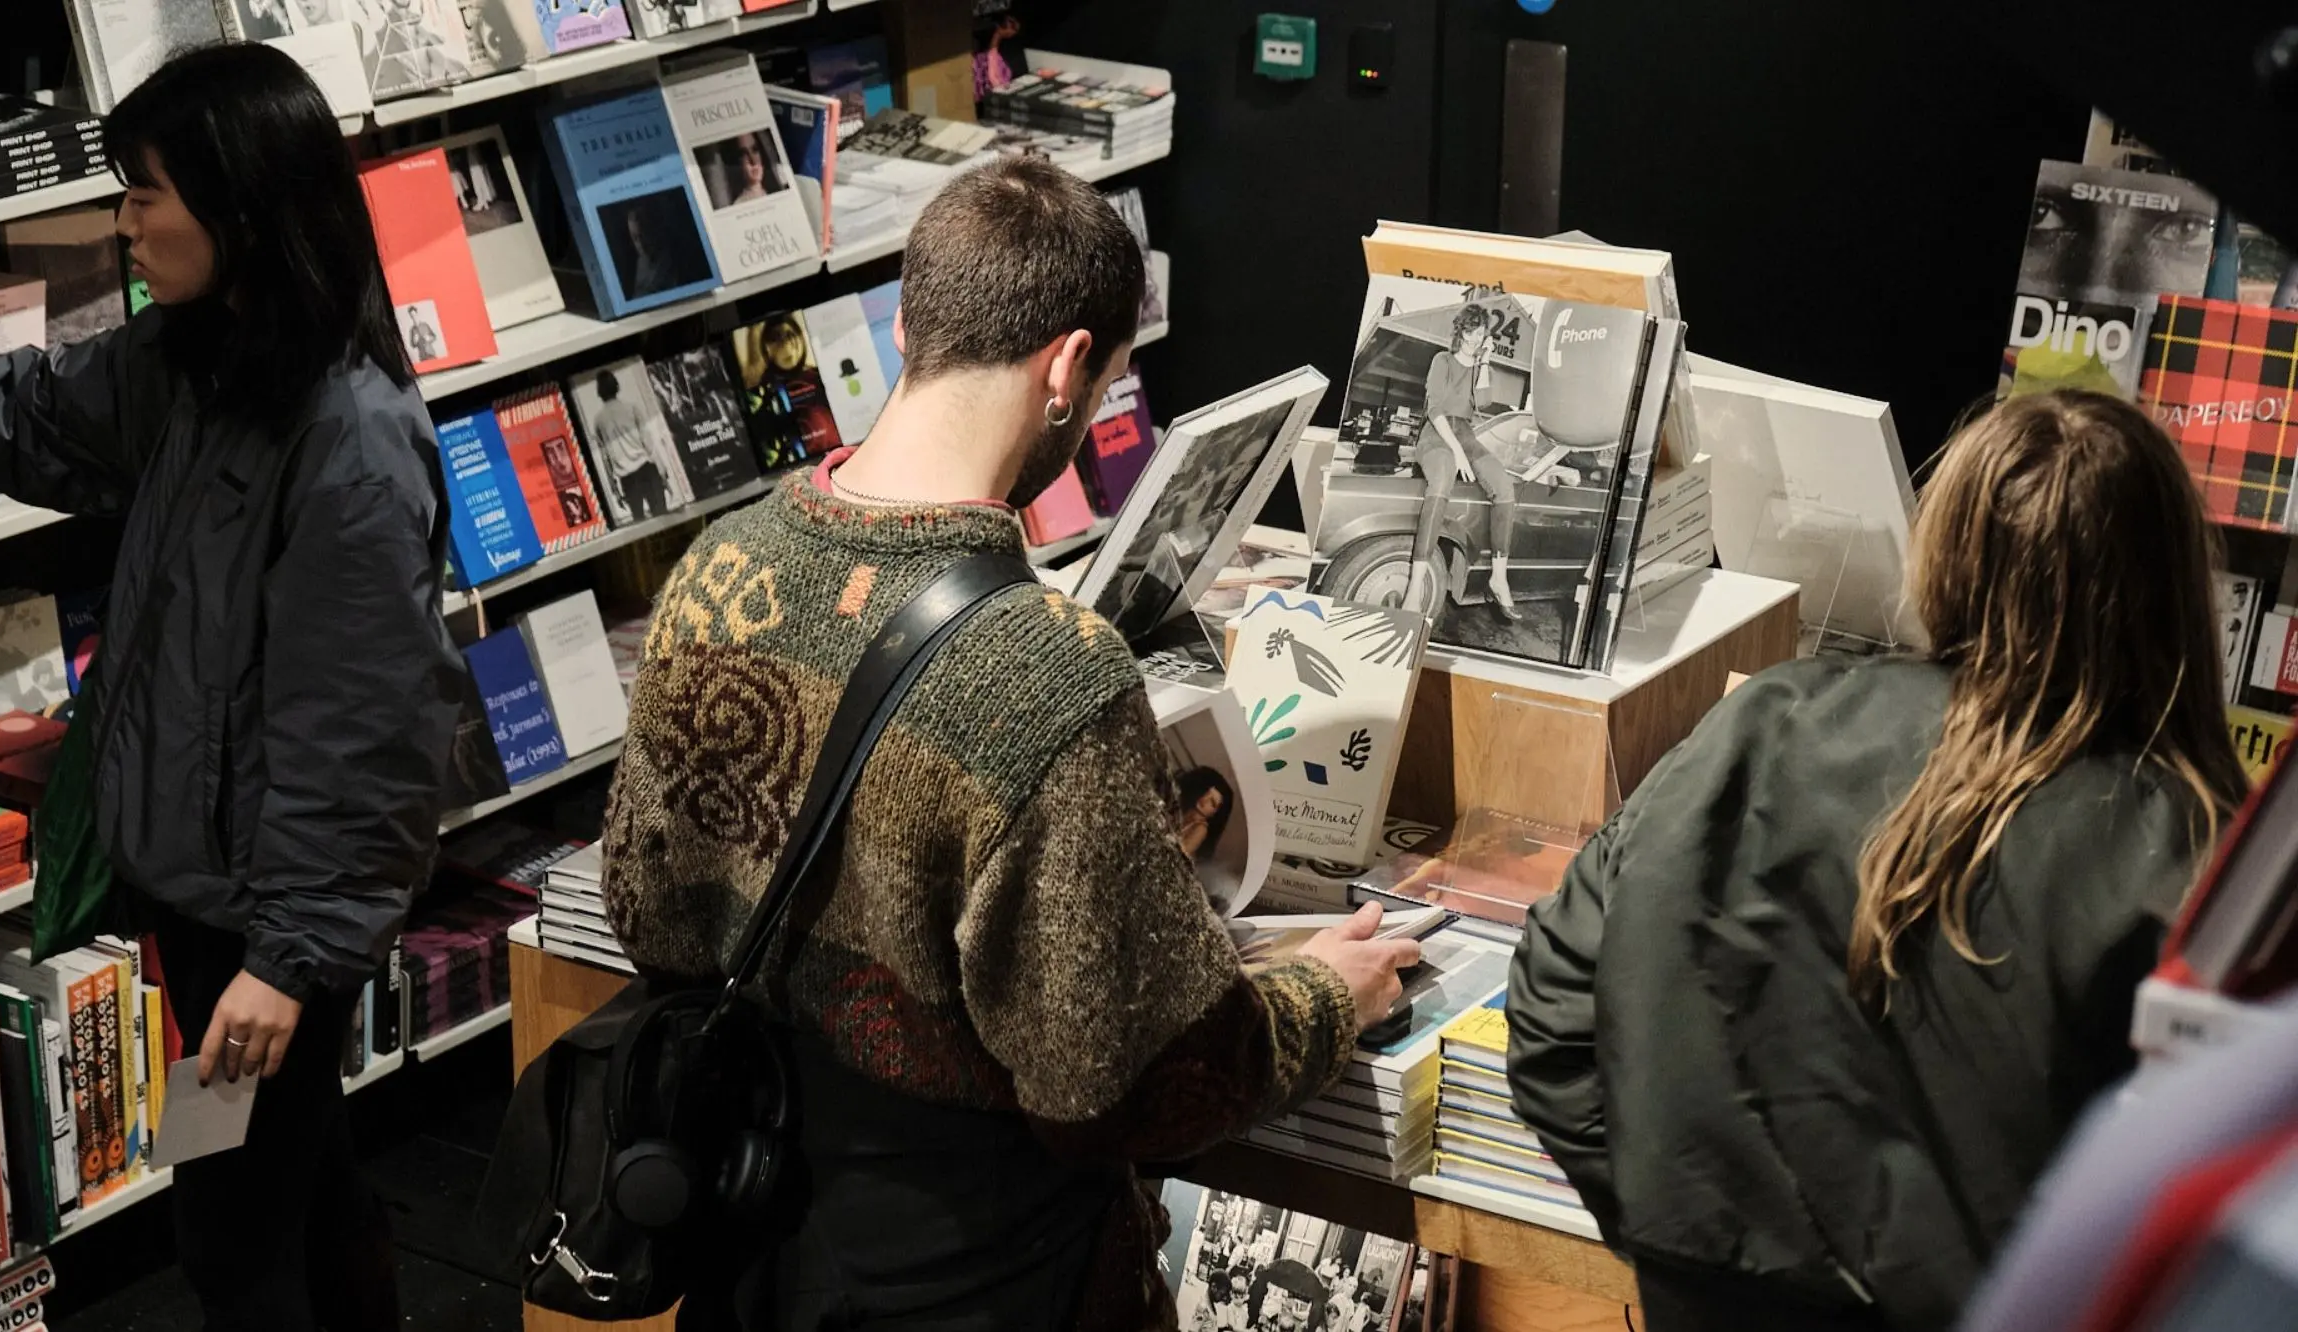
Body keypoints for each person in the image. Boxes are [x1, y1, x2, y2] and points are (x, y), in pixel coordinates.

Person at [602, 154, 1418, 1329]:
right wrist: (1319, 1002)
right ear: (1069, 368)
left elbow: (645, 909)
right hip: (976, 1271)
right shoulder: (1046, 669)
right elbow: (1123, 1081)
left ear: (905, 320)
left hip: (748, 1235)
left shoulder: (719, 565)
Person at [0, 44, 464, 1332]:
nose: (121, 226)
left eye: (144, 196)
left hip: (263, 915)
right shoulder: (194, 362)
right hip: (212, 891)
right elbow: (14, 414)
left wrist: (288, 966)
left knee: (235, 1237)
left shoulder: (349, 439)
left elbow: (361, 734)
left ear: (240, 209)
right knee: (304, 1191)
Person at [1504, 390, 2247, 1331]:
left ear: (1946, 550)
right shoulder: (2196, 854)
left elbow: (1549, 1014)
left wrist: (1681, 1232)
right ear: (2175, 588)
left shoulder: (1762, 724)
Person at [1408, 304, 1518, 615]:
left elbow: (1483, 402)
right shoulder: (1441, 360)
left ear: (1485, 337)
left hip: (1467, 434)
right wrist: (1456, 452)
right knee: (1442, 478)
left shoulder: (1483, 368)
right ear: (1461, 333)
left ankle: (1498, 578)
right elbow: (1435, 409)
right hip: (1437, 433)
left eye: (1480, 333)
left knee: (1504, 486)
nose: (1474, 338)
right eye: (1469, 332)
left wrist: (1485, 362)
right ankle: (1415, 588)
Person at [584, 368, 667, 521]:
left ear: (599, 392)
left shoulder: (599, 421)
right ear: (616, 386)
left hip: (627, 480)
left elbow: (605, 458)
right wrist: (662, 471)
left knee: (640, 524)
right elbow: (649, 443)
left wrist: (614, 488)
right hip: (647, 470)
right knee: (663, 519)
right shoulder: (632, 408)